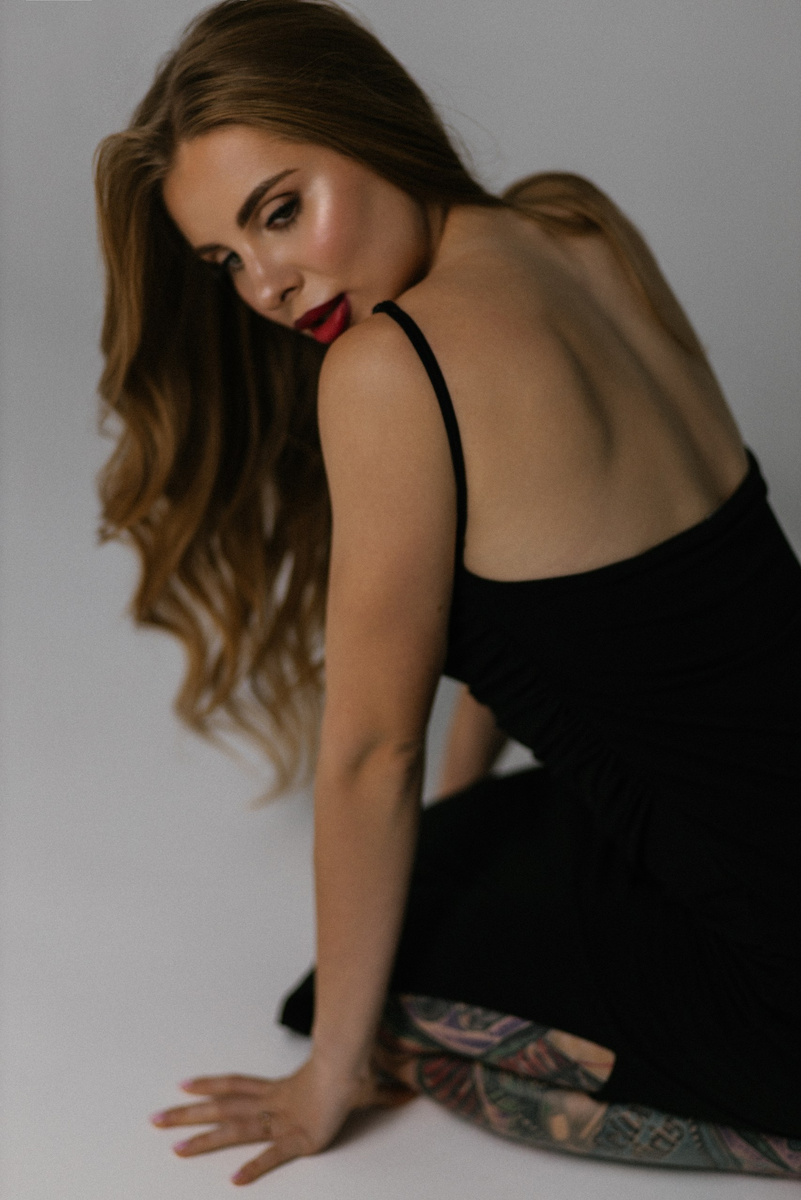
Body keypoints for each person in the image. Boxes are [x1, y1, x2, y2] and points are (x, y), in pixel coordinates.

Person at [92, 0, 801, 1186]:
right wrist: (451, 837)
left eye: (281, 211)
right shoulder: (579, 224)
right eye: (227, 261)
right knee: (448, 876)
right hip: (756, 812)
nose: (268, 285)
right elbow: (561, 616)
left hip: (773, 967)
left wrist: (328, 1078)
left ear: (371, 123)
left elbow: (373, 751)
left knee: (365, 999)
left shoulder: (391, 366)